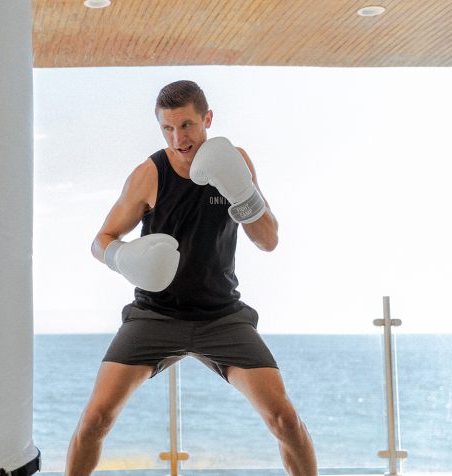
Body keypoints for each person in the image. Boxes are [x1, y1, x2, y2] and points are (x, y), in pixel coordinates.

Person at [65, 80, 317, 476]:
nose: (178, 138)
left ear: (207, 119)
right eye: (167, 128)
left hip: (222, 317)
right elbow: (100, 241)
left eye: (186, 126)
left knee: (284, 419)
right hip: (155, 316)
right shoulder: (149, 174)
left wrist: (241, 193)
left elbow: (268, 240)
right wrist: (124, 256)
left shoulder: (236, 161)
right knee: (95, 419)